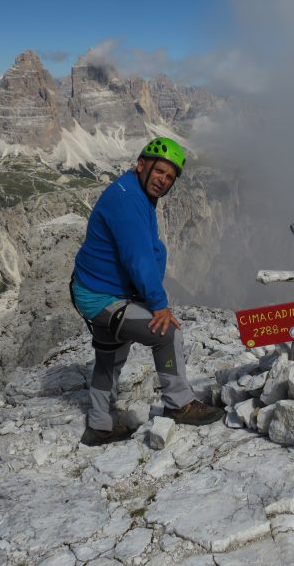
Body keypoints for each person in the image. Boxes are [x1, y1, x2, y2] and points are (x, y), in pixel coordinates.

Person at [70, 136, 223, 446]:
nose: (163, 180)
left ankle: (99, 424)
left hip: (94, 290)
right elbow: (138, 259)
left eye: (169, 177)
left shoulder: (134, 191)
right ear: (142, 165)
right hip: (103, 296)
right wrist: (158, 304)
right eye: (159, 172)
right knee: (166, 333)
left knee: (110, 354)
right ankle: (179, 404)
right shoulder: (128, 202)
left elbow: (144, 251)